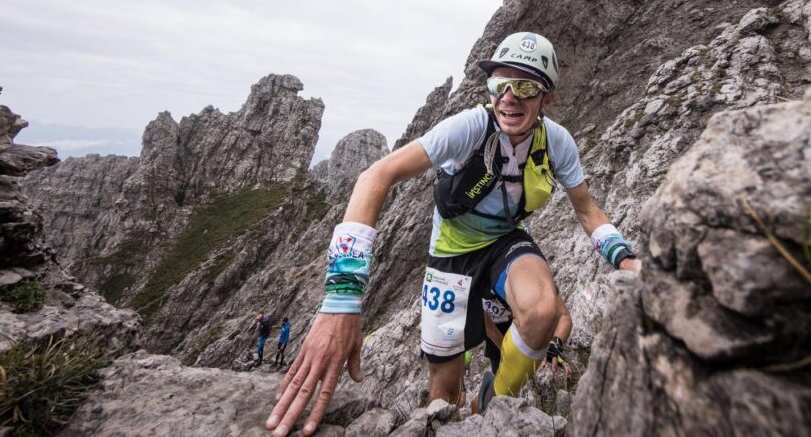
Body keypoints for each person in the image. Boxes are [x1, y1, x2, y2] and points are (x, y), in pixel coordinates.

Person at [266, 32, 639, 436]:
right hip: (449, 255)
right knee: (442, 391)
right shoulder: (469, 127)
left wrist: (624, 258)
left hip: (505, 241)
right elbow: (375, 177)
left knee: (544, 311)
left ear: (547, 97)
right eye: (500, 84)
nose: (509, 97)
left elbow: (587, 210)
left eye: (525, 87)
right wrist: (341, 301)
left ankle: (492, 404)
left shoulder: (557, 143)